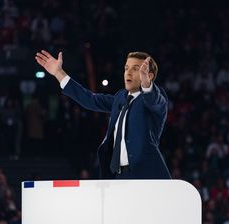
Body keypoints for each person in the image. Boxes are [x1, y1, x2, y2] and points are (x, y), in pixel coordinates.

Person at [35, 50, 171, 179]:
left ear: (149, 75)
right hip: (118, 176)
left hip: (145, 176)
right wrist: (59, 73)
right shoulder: (120, 98)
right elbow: (90, 99)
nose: (128, 73)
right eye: (126, 68)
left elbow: (154, 100)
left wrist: (147, 84)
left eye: (136, 69)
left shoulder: (153, 99)